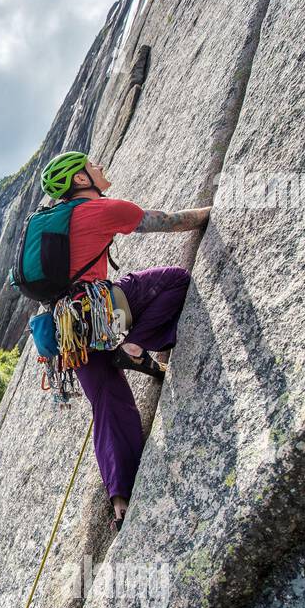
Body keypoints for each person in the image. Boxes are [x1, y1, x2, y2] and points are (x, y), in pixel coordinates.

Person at [39, 151, 209, 530]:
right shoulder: (103, 210)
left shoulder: (50, 225)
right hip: (100, 312)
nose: (99, 168)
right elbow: (170, 222)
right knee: (174, 279)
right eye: (92, 165)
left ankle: (120, 498)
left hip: (66, 331)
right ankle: (134, 347)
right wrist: (215, 209)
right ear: (81, 180)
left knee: (107, 402)